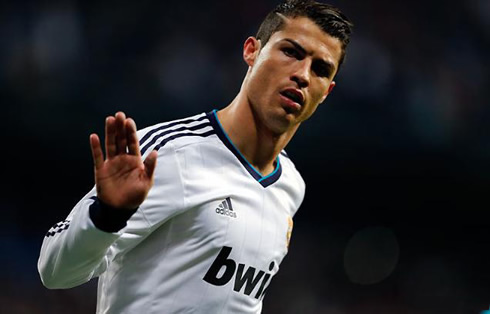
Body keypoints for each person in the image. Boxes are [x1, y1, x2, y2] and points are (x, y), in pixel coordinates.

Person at [38, 0, 353, 312]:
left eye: (321, 69)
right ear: (252, 51)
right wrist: (107, 215)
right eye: (291, 52)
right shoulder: (170, 153)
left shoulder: (290, 186)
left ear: (327, 91)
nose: (303, 75)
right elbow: (54, 272)